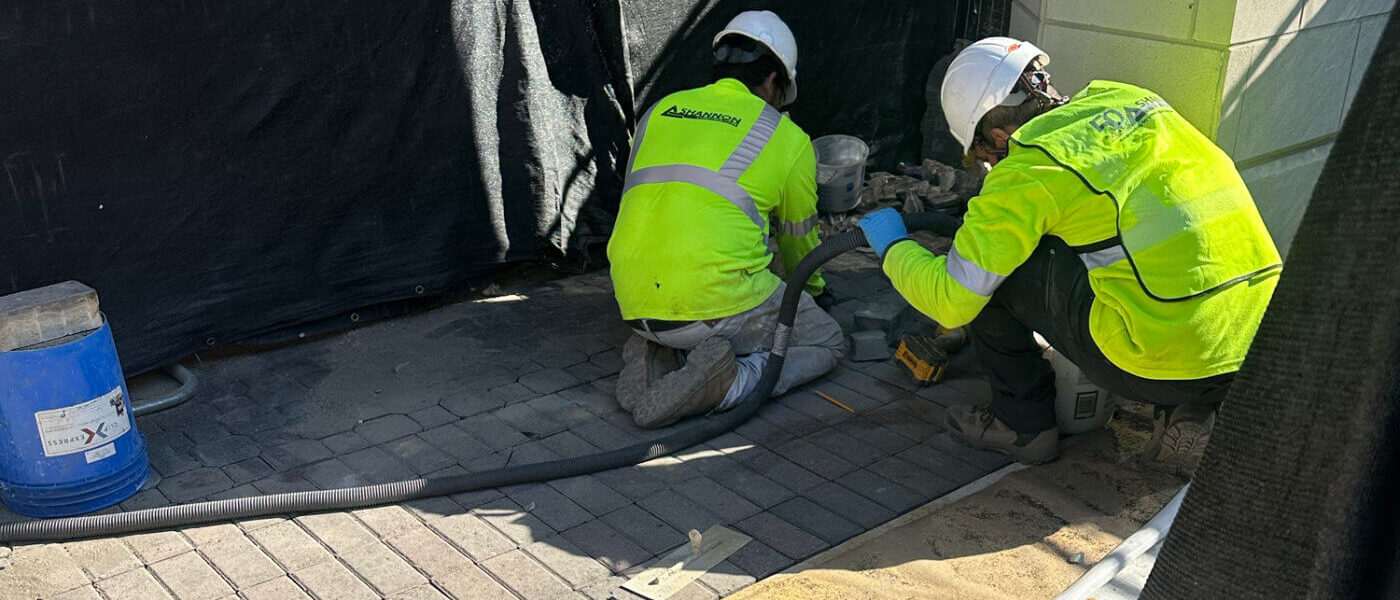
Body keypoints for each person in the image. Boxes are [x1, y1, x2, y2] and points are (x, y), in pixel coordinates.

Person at [858, 37, 1281, 475]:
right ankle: (1191, 407)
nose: (987, 163)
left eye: (983, 151)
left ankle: (1021, 425)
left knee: (999, 271)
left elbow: (954, 299)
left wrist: (893, 247)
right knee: (1140, 258)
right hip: (1256, 343)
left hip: (1157, 357)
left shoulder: (1028, 169)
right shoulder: (1132, 99)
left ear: (998, 135)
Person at [607, 11, 844, 429]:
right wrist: (813, 291)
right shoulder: (787, 137)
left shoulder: (659, 110)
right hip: (706, 304)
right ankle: (731, 382)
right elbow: (797, 238)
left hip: (632, 299)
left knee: (712, 287)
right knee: (826, 341)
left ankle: (654, 349)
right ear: (772, 81)